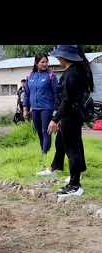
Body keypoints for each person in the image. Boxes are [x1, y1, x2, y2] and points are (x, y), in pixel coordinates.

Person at [47, 45, 93, 197]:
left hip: (70, 116)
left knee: (72, 150)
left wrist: (55, 119)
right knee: (75, 148)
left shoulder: (71, 74)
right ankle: (75, 179)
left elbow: (66, 100)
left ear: (64, 57)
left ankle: (75, 186)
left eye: (59, 57)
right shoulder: (76, 71)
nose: (58, 59)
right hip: (73, 116)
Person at [22, 53, 58, 170]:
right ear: (36, 63)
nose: (45, 64)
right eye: (42, 62)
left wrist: (56, 112)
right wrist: (25, 108)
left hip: (47, 108)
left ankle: (44, 156)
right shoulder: (30, 76)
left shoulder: (51, 76)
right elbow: (27, 94)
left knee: (45, 131)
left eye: (46, 62)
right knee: (39, 132)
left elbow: (56, 94)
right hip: (35, 109)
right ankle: (44, 152)